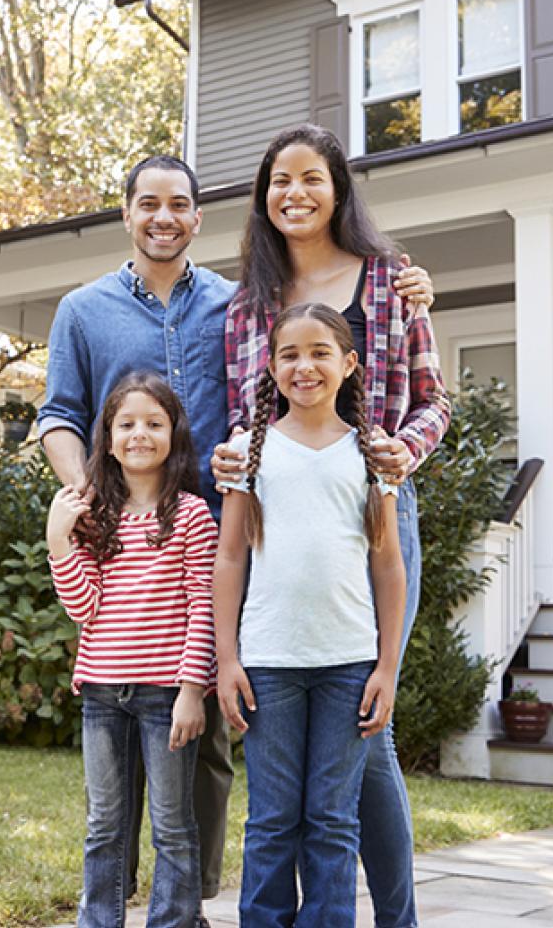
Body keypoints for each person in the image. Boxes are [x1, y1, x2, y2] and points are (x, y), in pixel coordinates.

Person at [38, 153, 435, 925]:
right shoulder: (96, 309)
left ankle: (234, 901)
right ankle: (148, 900)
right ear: (125, 212)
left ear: (198, 217)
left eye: (179, 204)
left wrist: (418, 296)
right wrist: (86, 501)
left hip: (284, 516)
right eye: (147, 204)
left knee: (299, 738)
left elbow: (392, 382)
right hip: (174, 536)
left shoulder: (241, 299)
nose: (162, 217)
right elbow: (59, 414)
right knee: (199, 718)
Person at [213, 123, 450, 927]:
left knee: (366, 719)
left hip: (376, 510)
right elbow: (243, 421)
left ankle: (396, 916)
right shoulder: (246, 305)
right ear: (263, 197)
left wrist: (396, 455)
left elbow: (433, 399)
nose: (295, 194)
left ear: (338, 189)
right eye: (279, 181)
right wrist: (227, 463)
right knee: (361, 746)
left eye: (311, 178)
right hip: (278, 526)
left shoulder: (390, 280)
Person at [213, 302, 406, 927]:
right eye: (290, 354)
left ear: (349, 364)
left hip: (348, 666)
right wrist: (227, 660)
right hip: (269, 665)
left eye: (321, 352)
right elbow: (232, 559)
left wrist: (387, 668)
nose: (305, 366)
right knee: (272, 820)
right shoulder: (249, 451)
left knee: (331, 819)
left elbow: (387, 565)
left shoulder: (370, 455)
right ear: (270, 366)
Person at [46, 371, 218, 928]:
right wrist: (58, 539)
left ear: (174, 433)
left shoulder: (192, 515)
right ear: (108, 437)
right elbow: (82, 607)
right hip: (101, 693)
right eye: (126, 424)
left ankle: (172, 921)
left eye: (153, 423)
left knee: (172, 824)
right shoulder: (95, 517)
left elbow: (204, 608)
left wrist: (193, 693)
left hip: (166, 695)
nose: (139, 434)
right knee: (105, 825)